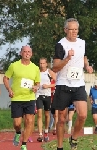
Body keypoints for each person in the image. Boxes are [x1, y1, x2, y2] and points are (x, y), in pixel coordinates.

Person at [52, 18, 93, 150]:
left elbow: (83, 56)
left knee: (82, 115)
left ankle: (73, 138)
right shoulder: (61, 45)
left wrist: (87, 65)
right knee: (61, 120)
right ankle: (59, 147)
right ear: (65, 30)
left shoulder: (82, 43)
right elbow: (55, 67)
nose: (74, 32)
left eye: (76, 29)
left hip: (78, 84)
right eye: (71, 29)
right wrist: (67, 58)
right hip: (63, 84)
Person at [3, 45, 40, 150]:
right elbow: (5, 78)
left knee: (29, 121)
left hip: (30, 98)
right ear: (21, 53)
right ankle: (18, 132)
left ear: (31, 54)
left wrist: (36, 87)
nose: (27, 53)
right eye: (25, 51)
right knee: (17, 123)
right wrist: (9, 89)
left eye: (29, 52)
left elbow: (37, 82)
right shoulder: (14, 66)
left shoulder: (35, 68)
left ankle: (24, 144)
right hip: (17, 98)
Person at [36, 58, 56, 142]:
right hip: (38, 95)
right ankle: (40, 134)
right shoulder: (36, 72)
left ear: (46, 64)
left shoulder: (49, 72)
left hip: (47, 95)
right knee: (39, 114)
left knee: (47, 115)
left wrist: (48, 86)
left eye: (43, 63)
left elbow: (57, 82)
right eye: (40, 63)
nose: (41, 65)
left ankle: (46, 132)